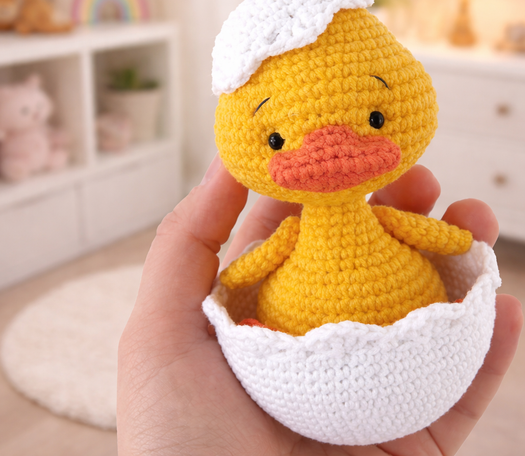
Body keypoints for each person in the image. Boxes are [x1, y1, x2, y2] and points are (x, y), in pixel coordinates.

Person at [117, 156, 523, 456]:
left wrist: (457, 243)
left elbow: (243, 273)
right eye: (277, 141)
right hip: (302, 394)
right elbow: (246, 271)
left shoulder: (368, 222)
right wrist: (457, 242)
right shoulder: (297, 232)